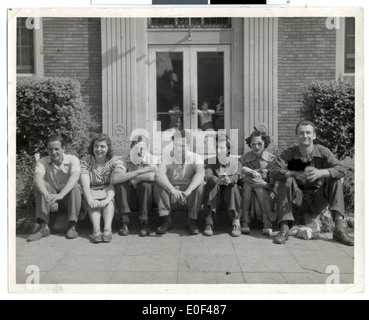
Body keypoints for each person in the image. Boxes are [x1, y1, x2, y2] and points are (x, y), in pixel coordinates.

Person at [270, 120, 354, 246]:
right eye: (301, 133)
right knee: (286, 179)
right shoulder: (289, 153)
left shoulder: (322, 151)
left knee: (334, 178)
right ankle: (284, 229)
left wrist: (323, 172)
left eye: (308, 133)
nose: (305, 136)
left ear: (314, 135)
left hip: (317, 199)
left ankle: (339, 229)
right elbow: (274, 171)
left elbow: (342, 169)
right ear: (296, 136)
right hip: (297, 200)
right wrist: (295, 174)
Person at [27, 135, 82, 242]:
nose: (54, 152)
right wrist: (47, 196)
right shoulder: (42, 161)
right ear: (47, 150)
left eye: (57, 149)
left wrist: (60, 195)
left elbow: (75, 177)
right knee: (40, 184)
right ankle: (43, 227)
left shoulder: (73, 159)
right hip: (50, 198)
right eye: (50, 149)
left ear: (63, 149)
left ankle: (72, 226)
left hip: (67, 198)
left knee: (74, 186)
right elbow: (38, 178)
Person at [154, 129, 205, 235]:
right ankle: (166, 220)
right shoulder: (167, 156)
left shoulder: (195, 157)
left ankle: (192, 221)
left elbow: (201, 173)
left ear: (189, 145)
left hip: (188, 196)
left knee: (200, 185)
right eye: (176, 145)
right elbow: (159, 174)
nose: (178, 148)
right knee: (158, 184)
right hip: (171, 196)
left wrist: (189, 190)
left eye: (182, 146)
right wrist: (172, 190)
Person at [80, 134, 124, 243]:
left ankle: (107, 230)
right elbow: (85, 184)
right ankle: (96, 230)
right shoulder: (86, 161)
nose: (99, 149)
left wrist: (107, 199)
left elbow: (113, 184)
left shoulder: (114, 161)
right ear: (92, 147)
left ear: (108, 148)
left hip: (108, 189)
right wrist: (90, 200)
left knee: (108, 202)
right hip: (91, 189)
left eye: (102, 147)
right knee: (93, 202)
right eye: (96, 146)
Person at [113, 136, 159, 237]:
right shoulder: (123, 159)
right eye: (136, 146)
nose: (139, 150)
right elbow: (116, 178)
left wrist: (129, 176)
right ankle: (124, 223)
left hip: (145, 197)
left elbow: (151, 176)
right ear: (131, 147)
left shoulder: (151, 158)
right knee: (121, 184)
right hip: (128, 198)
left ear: (147, 148)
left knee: (146, 185)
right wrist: (140, 171)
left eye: (142, 147)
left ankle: (144, 223)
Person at [204, 135, 242, 237]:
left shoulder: (236, 162)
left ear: (228, 149)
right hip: (214, 196)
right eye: (216, 147)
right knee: (212, 185)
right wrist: (217, 180)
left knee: (233, 187)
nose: (218, 150)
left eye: (221, 148)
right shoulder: (209, 161)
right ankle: (209, 221)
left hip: (229, 197)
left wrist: (229, 180)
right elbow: (208, 175)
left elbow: (237, 176)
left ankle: (236, 221)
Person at [240, 128, 276, 236]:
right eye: (253, 144)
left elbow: (276, 183)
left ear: (265, 144)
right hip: (248, 194)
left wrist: (263, 183)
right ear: (250, 145)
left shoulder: (272, 159)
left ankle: (266, 221)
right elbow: (238, 178)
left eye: (260, 144)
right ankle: (245, 220)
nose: (256, 147)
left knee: (258, 186)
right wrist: (249, 176)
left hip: (267, 194)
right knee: (247, 185)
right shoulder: (244, 158)